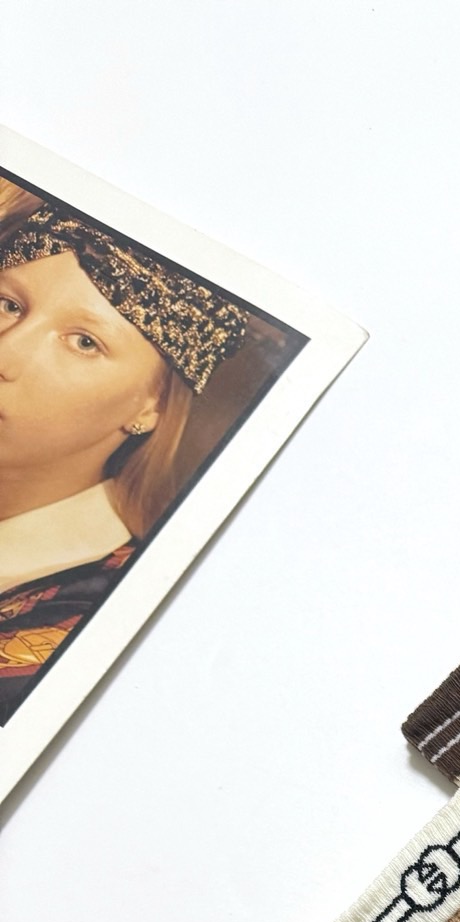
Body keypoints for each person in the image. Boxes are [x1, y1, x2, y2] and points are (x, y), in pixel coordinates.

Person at [0, 197, 246, 724]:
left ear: (150, 408)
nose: (6, 352)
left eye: (83, 342)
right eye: (9, 304)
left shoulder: (85, 614)